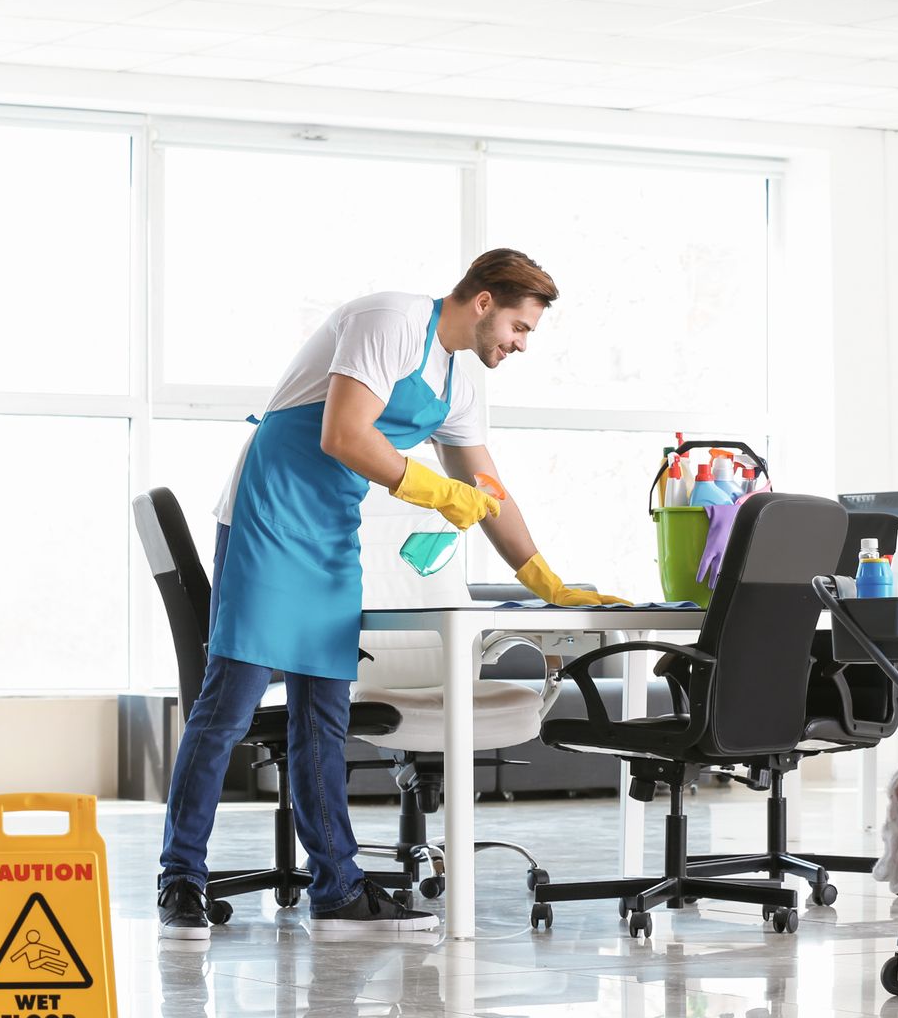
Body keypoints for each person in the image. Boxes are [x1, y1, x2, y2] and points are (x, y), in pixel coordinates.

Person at [158, 249, 629, 938]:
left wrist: (546, 580)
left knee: (322, 716)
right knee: (230, 701)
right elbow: (342, 433)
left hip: (328, 529)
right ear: (483, 302)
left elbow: (490, 491)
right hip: (271, 508)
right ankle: (181, 881)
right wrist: (437, 489)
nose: (521, 345)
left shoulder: (457, 386)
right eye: (520, 328)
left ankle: (338, 891)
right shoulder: (392, 321)